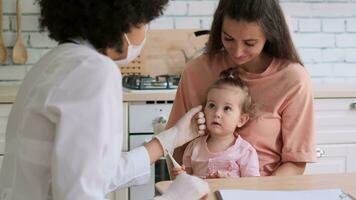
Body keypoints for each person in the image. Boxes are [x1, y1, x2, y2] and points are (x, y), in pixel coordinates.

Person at [0, 0, 209, 199]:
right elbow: (80, 194)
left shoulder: (53, 61)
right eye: (144, 22)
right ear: (126, 19)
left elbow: (97, 172)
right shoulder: (94, 69)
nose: (145, 31)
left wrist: (170, 138)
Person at [167, 0, 316, 176]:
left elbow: (295, 162)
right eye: (228, 38)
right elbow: (175, 147)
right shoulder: (196, 71)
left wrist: (256, 193)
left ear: (270, 35)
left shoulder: (294, 79)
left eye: (250, 43)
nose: (237, 52)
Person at [171, 68, 260, 179]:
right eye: (212, 106)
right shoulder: (194, 147)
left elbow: (253, 186)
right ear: (204, 110)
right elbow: (187, 181)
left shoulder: (245, 151)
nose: (217, 114)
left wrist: (232, 184)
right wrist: (180, 176)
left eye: (227, 108)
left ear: (241, 120)